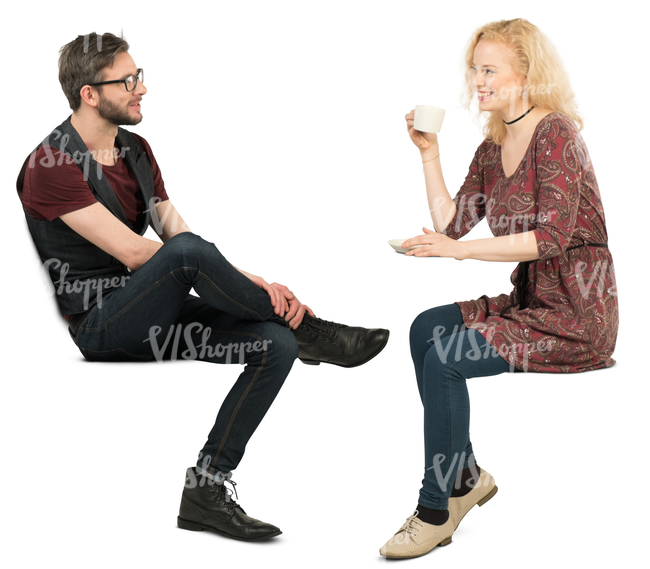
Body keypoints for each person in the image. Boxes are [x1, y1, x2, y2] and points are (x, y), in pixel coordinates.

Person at [16, 32, 389, 543]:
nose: (141, 88)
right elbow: (135, 252)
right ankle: (315, 333)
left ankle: (207, 490)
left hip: (153, 312)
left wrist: (243, 281)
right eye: (128, 80)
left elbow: (177, 234)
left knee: (274, 343)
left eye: (139, 75)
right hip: (103, 326)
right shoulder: (50, 164)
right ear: (89, 93)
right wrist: (252, 281)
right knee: (192, 257)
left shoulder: (136, 151)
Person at [379, 18, 618, 559]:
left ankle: (435, 508)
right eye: (475, 70)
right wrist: (428, 152)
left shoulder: (556, 132)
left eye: (490, 70)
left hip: (577, 314)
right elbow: (451, 224)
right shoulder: (492, 147)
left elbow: (552, 237)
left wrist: (458, 251)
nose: (478, 81)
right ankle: (464, 474)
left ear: (526, 74)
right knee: (425, 329)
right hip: (531, 300)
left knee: (443, 360)